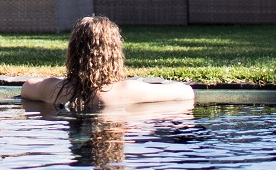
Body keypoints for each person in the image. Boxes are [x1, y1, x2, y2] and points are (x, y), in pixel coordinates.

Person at [20, 15, 195, 112]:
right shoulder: (129, 90)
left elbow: (27, 87)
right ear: (114, 53)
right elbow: (186, 92)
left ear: (73, 51)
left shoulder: (54, 89)